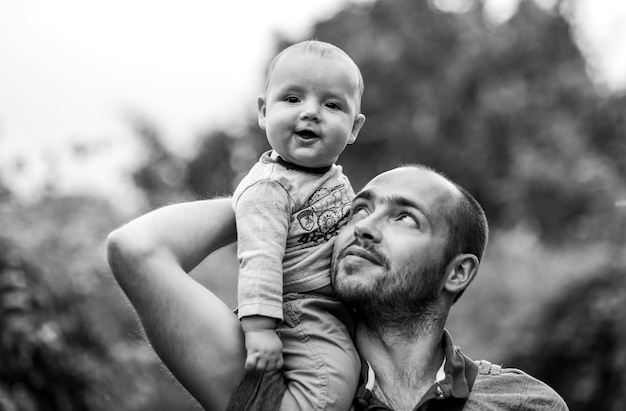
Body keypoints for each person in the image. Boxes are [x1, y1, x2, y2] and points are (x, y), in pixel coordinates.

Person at [107, 165, 569, 410]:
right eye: (355, 211)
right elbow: (137, 249)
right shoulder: (274, 373)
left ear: (458, 272)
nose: (364, 227)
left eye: (404, 218)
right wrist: (274, 203)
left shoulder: (523, 403)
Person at [228, 39, 365, 410]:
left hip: (333, 306)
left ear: (353, 128)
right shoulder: (271, 187)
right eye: (292, 99)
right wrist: (260, 329)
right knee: (330, 383)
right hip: (298, 310)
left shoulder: (327, 176)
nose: (311, 112)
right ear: (263, 110)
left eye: (332, 105)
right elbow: (259, 258)